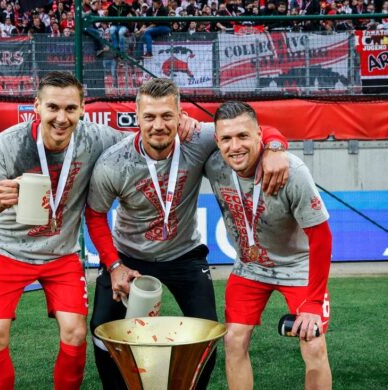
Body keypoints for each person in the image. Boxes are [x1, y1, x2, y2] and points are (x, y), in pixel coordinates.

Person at [0, 71, 199, 389]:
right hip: (7, 251)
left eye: (70, 109)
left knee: (75, 333)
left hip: (61, 254)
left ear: (82, 109)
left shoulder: (97, 138)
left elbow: (145, 138)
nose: (61, 118)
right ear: (37, 106)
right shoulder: (9, 143)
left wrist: (186, 126)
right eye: (53, 108)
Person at [85, 78, 290, 389]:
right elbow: (95, 214)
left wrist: (275, 148)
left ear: (181, 115)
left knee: (207, 333)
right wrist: (114, 266)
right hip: (129, 256)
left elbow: (254, 127)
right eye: (150, 117)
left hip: (184, 255)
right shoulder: (114, 162)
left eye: (167, 115)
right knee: (101, 330)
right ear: (136, 118)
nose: (158, 125)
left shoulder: (199, 138)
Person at [203, 101, 332, 390]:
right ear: (216, 140)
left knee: (313, 343)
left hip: (298, 267)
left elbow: (322, 237)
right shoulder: (213, 163)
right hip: (250, 268)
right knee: (233, 339)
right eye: (226, 138)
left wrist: (313, 301)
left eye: (243, 136)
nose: (235, 146)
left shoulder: (292, 172)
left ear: (259, 135)